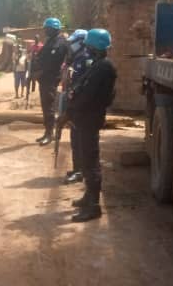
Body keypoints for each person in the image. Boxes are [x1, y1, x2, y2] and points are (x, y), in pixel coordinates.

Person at [67, 28, 116, 222]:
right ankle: (89, 196)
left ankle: (94, 206)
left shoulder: (104, 67)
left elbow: (88, 96)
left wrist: (72, 108)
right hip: (85, 118)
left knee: (90, 161)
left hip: (89, 119)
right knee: (86, 160)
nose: (86, 48)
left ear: (95, 47)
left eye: (88, 45)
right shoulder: (98, 65)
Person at [59, 29, 89, 184]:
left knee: (79, 141)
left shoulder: (84, 60)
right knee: (75, 139)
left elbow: (79, 86)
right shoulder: (76, 59)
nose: (70, 45)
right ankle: (78, 168)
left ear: (81, 42)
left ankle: (80, 171)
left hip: (81, 109)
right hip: (75, 107)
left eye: (73, 42)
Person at [32, 18, 68, 146]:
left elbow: (52, 62)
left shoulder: (60, 42)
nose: (45, 31)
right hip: (44, 78)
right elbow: (42, 57)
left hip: (50, 78)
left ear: (54, 29)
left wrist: (39, 71)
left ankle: (50, 134)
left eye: (47, 29)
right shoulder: (51, 41)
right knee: (45, 106)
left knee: (49, 107)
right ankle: (47, 131)